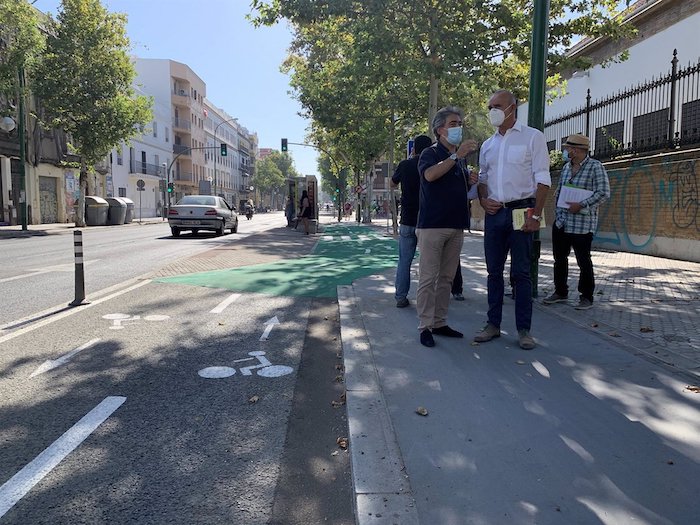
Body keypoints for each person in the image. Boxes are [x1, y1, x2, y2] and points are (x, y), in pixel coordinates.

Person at [474, 89, 551, 350]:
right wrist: (484, 201)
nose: (492, 110)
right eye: (490, 106)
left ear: (512, 108)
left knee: (521, 273)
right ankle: (492, 324)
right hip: (495, 214)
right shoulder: (487, 145)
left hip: (522, 212)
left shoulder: (533, 138)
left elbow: (543, 180)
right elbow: (482, 180)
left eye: (497, 106)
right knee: (493, 272)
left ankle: (524, 330)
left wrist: (536, 215)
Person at [416, 106, 478, 347]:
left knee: (446, 278)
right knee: (428, 278)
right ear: (440, 129)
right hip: (433, 226)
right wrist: (455, 157)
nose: (458, 127)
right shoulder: (430, 154)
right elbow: (430, 176)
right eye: (454, 123)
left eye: (460, 123)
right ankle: (425, 326)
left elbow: (459, 188)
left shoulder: (459, 160)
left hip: (456, 225)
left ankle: (440, 322)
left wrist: (469, 179)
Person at [543, 133, 610, 310]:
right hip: (562, 222)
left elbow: (603, 193)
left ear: (578, 150)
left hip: (582, 224)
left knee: (583, 261)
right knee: (559, 259)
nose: (567, 152)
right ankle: (560, 291)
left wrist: (581, 205)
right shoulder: (566, 167)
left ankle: (586, 296)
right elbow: (560, 191)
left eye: (569, 149)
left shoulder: (595, 167)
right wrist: (556, 212)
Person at [391, 134, 433, 308]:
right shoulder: (433, 166)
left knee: (404, 261)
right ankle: (427, 299)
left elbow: (392, 184)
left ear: (413, 149)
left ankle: (401, 297)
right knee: (428, 263)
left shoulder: (405, 165)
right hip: (427, 222)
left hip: (407, 220)